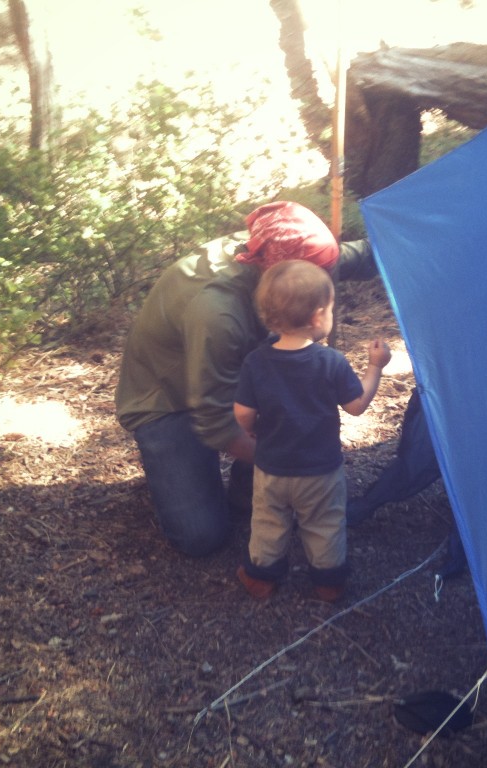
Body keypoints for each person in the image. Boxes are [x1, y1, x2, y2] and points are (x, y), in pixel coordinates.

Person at [115, 201, 377, 558]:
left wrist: (421, 241)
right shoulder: (217, 312)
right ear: (278, 280)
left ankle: (244, 486)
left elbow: (356, 256)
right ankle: (199, 472)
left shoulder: (284, 253)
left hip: (231, 375)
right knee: (200, 537)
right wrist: (289, 463)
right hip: (166, 400)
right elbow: (213, 422)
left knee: (288, 385)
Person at [233, 260, 391, 601]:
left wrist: (250, 432)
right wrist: (375, 368)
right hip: (320, 471)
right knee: (325, 524)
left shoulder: (256, 362)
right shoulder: (331, 362)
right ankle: (328, 581)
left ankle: (261, 577)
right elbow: (356, 405)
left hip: (272, 469)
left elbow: (243, 415)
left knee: (268, 522)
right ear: (319, 316)